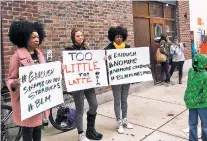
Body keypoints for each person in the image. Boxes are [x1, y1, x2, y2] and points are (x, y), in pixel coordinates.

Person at [7, 20, 50, 141]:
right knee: (28, 132)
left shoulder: (40, 54)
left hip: (39, 99)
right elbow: (10, 79)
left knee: (38, 130)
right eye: (33, 37)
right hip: (26, 102)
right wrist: (14, 84)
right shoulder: (17, 56)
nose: (37, 39)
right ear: (25, 38)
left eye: (38, 37)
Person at [64, 28, 103, 141]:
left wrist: (101, 59)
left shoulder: (87, 50)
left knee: (94, 104)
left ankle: (90, 130)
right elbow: (68, 65)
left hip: (88, 82)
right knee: (80, 109)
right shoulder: (69, 51)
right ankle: (81, 134)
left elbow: (94, 62)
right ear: (73, 38)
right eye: (77, 36)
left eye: (81, 35)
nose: (80, 38)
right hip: (77, 84)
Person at [104, 26, 133, 134]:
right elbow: (103, 62)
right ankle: (119, 122)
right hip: (115, 79)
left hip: (126, 78)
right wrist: (105, 59)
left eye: (121, 36)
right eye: (117, 37)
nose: (119, 39)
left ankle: (125, 120)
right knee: (117, 101)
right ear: (113, 37)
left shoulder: (127, 47)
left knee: (124, 100)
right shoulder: (109, 49)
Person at [184, 54, 207, 141]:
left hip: (191, 104)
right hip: (203, 104)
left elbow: (189, 86)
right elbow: (205, 94)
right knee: (205, 125)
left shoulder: (190, 71)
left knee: (192, 124)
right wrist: (196, 100)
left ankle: (193, 139)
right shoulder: (205, 75)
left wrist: (188, 98)